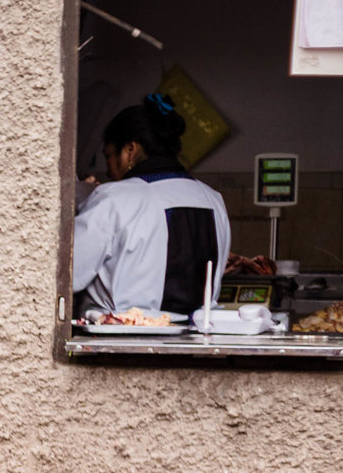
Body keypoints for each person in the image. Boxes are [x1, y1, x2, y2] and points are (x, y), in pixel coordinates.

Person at [72, 95, 232, 319]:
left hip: (121, 339)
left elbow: (69, 274)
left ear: (130, 150)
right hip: (195, 339)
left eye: (108, 156)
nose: (108, 170)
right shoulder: (213, 200)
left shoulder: (114, 199)